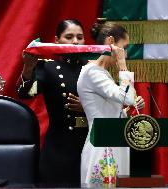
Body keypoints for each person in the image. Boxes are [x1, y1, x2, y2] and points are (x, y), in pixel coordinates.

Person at [16, 19, 88, 186]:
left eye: (80, 37)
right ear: (57, 40)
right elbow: (24, 94)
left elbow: (110, 103)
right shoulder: (47, 67)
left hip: (90, 143)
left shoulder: (93, 67)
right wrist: (28, 68)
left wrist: (88, 107)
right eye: (69, 37)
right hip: (60, 145)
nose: (75, 42)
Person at [77, 21, 145, 185]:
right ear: (111, 42)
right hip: (102, 146)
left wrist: (126, 111)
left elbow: (114, 109)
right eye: (125, 47)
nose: (125, 54)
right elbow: (126, 98)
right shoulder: (92, 72)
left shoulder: (102, 72)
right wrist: (122, 64)